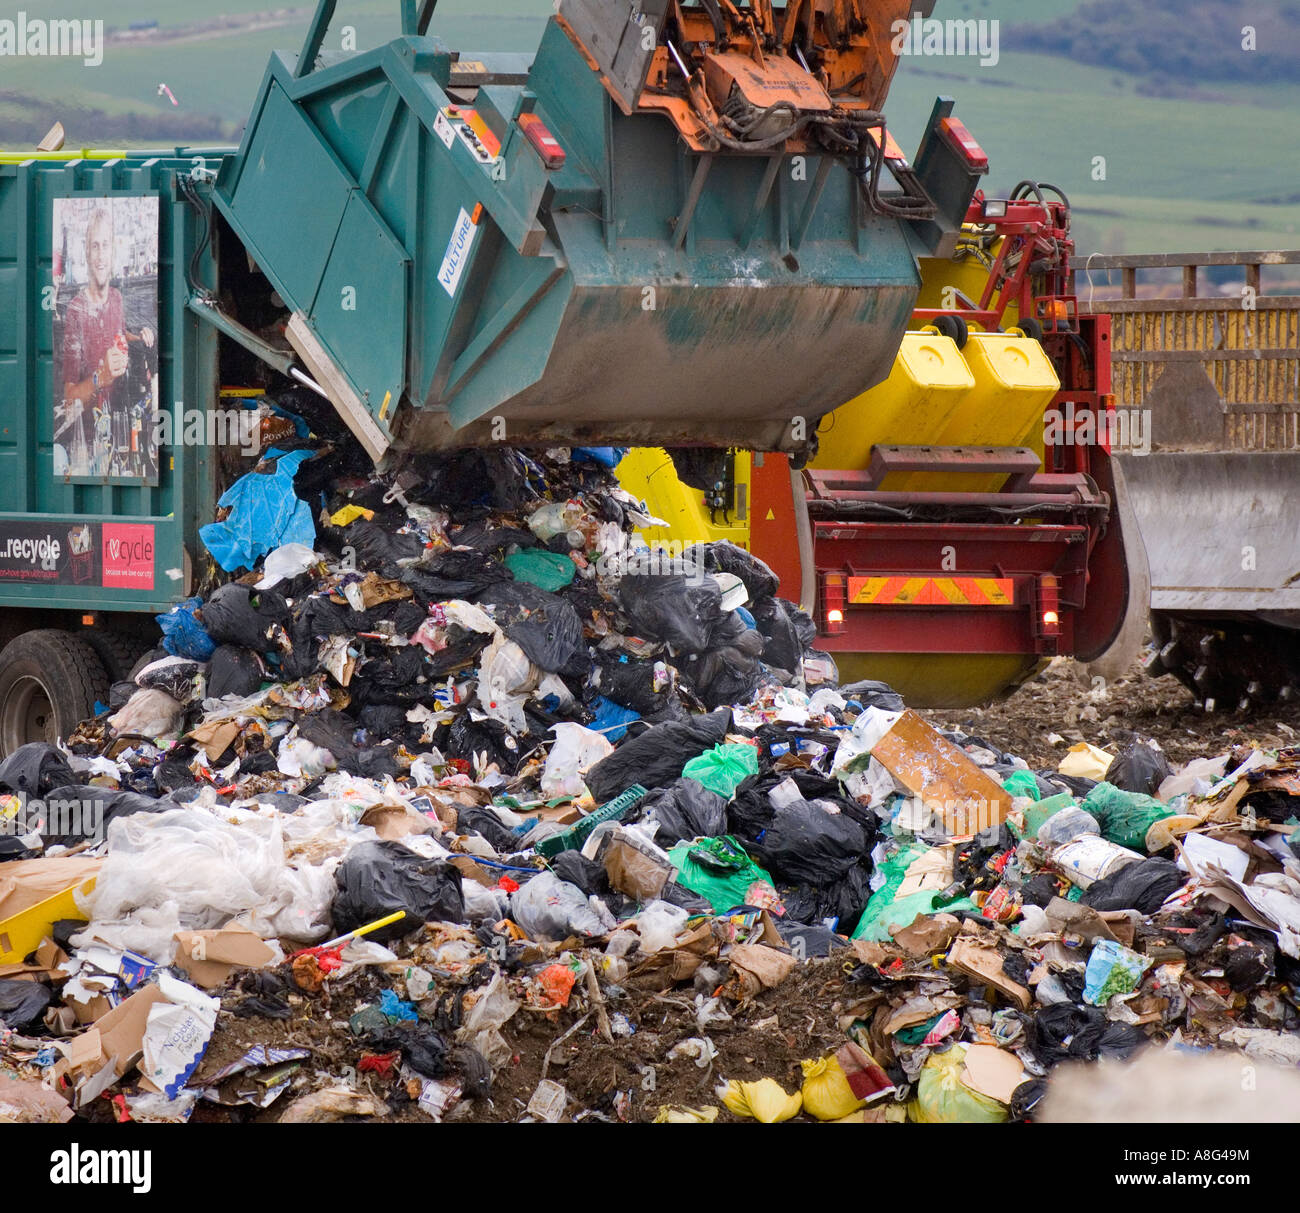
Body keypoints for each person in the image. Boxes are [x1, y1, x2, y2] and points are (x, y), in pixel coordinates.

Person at [56, 207, 155, 475]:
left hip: (121, 434)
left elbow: (118, 335)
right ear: (86, 253)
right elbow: (68, 404)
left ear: (113, 253)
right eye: (94, 246)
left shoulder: (116, 299)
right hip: (88, 450)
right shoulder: (76, 311)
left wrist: (141, 335)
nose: (100, 254)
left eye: (106, 246)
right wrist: (101, 376)